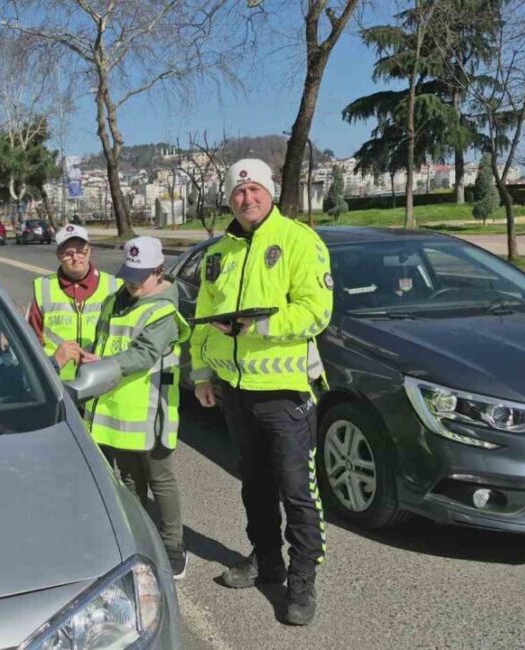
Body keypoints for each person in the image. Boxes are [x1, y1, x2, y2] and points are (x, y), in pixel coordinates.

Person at [189, 159, 333, 625]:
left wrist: (262, 324)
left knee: (297, 490)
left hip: (284, 392)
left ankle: (302, 579)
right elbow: (205, 318)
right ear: (228, 198)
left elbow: (317, 311)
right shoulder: (219, 253)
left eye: (254, 190)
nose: (246, 198)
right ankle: (267, 560)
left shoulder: (298, 240)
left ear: (270, 192)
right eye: (237, 191)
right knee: (254, 485)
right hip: (234, 389)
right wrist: (203, 375)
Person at [62, 236, 190, 580]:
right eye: (129, 273)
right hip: (115, 411)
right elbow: (102, 341)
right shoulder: (114, 300)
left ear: (159, 271)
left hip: (150, 410)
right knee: (130, 480)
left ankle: (173, 547)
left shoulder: (163, 309)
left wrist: (105, 362)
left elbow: (146, 354)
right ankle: (139, 536)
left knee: (160, 480)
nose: (132, 282)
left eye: (141, 275)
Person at [27, 224, 120, 379]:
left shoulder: (114, 286)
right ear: (58, 255)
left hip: (101, 381)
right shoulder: (43, 287)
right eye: (68, 253)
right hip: (57, 382)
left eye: (81, 251)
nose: (75, 258)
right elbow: (32, 340)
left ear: (90, 251)